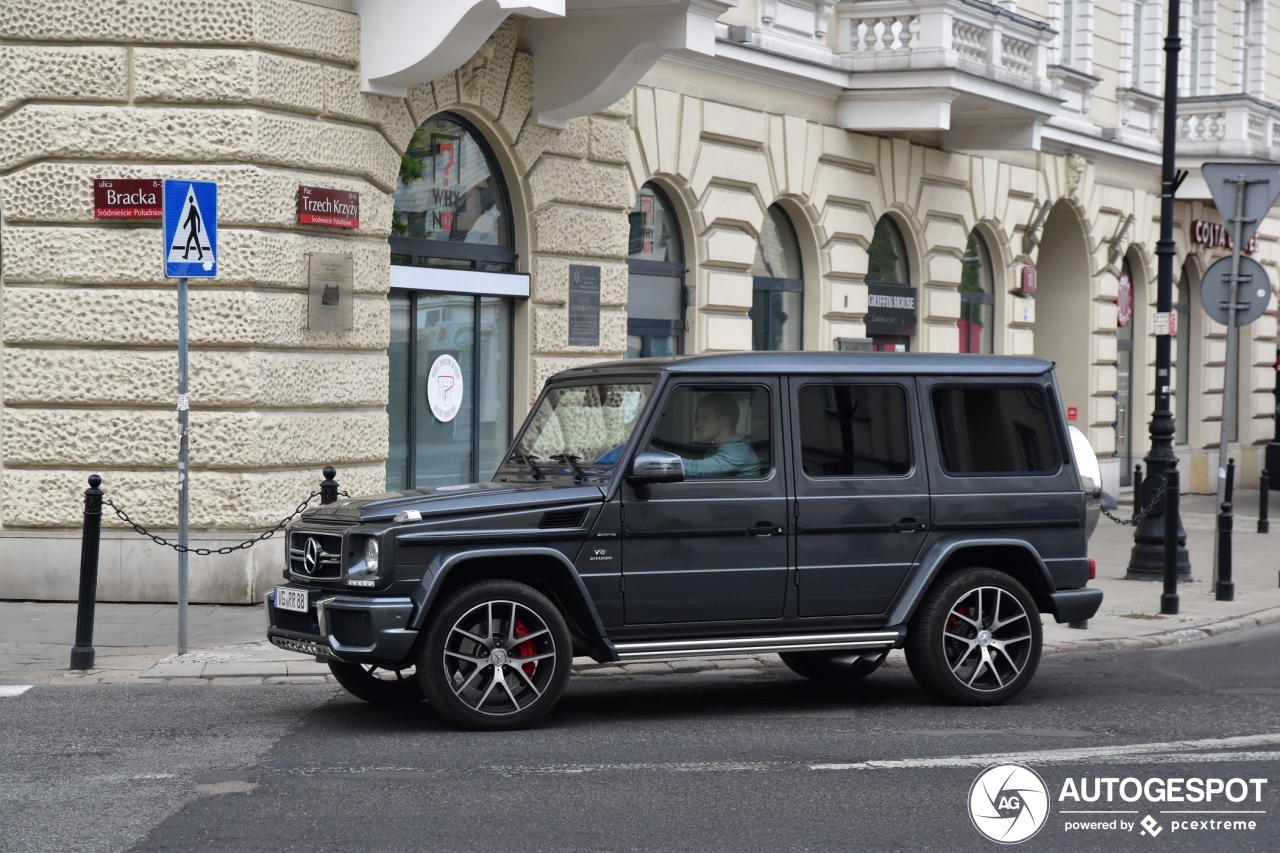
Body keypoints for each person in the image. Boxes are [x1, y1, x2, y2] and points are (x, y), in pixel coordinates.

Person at [680, 393, 761, 478]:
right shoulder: (714, 450)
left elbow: (699, 469)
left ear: (723, 421)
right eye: (699, 418)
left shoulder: (739, 451)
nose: (698, 424)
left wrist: (667, 464)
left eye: (704, 418)